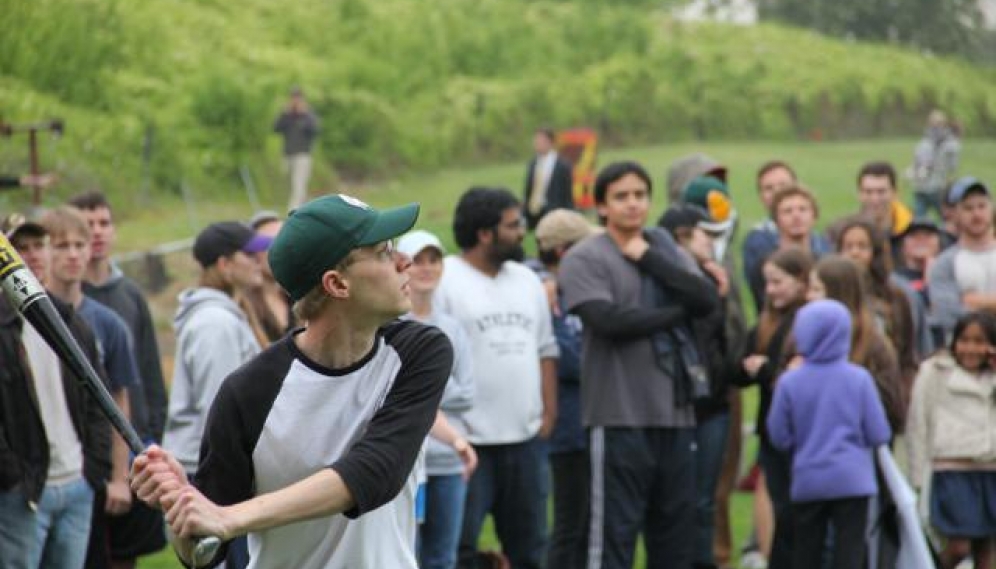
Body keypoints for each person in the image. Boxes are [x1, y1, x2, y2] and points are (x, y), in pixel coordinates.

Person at [131, 194, 452, 568]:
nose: (404, 262)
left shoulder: (420, 352)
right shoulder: (247, 392)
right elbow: (202, 553)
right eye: (383, 252)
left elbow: (377, 470)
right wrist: (181, 506)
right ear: (337, 284)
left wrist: (229, 517)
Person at [559, 161, 720, 569]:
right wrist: (676, 314)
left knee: (674, 539)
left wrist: (650, 258)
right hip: (618, 417)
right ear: (602, 207)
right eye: (621, 197)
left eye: (640, 195)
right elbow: (609, 322)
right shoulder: (585, 257)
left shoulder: (662, 247)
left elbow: (707, 299)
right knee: (613, 537)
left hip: (676, 416)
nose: (633, 205)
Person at [434, 187, 558, 569]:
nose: (522, 231)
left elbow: (545, 349)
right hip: (469, 445)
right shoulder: (445, 281)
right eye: (513, 224)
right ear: (485, 233)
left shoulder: (527, 281)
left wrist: (548, 416)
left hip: (526, 442)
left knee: (531, 550)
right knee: (459, 550)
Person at [0, 213, 111, 569]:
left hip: (77, 484)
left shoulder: (70, 323)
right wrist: (12, 476)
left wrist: (94, 468)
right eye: (21, 248)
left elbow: (97, 398)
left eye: (40, 245)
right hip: (25, 492)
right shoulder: (4, 330)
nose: (32, 256)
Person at [68, 190, 171, 567]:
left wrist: (151, 436)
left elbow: (148, 374)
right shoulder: (65, 302)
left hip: (134, 444)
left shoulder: (129, 295)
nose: (96, 232)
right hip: (85, 455)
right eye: (87, 224)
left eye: (103, 223)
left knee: (127, 554)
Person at [37, 207, 143, 569]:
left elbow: (119, 401)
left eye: (79, 245)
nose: (72, 254)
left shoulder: (108, 324)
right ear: (44, 252)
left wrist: (118, 477)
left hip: (89, 475)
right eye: (61, 245)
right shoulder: (27, 319)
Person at [766, 299, 892, 569]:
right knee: (850, 550)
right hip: (852, 478)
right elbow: (879, 432)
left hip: (809, 477)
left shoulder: (790, 382)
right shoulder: (858, 378)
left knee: (807, 550)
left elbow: (778, 435)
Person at [658, 204, 737, 569]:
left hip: (714, 404)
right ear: (682, 238)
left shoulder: (713, 281)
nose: (712, 242)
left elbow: (725, 343)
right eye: (706, 233)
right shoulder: (663, 284)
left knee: (704, 498)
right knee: (675, 500)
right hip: (676, 405)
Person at [396, 229, 476, 569]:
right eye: (417, 261)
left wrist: (422, 385)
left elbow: (467, 393)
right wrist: (436, 386)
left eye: (434, 260)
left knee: (444, 557)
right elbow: (394, 392)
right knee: (404, 554)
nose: (427, 268)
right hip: (403, 462)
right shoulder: (390, 325)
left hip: (448, 460)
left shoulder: (452, 327)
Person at [736, 247, 813, 569]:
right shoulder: (767, 322)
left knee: (794, 511)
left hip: (801, 433)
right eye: (767, 283)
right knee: (776, 502)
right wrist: (748, 368)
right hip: (772, 429)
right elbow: (738, 365)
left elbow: (799, 376)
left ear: (800, 282)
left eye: (778, 282)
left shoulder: (807, 320)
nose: (770, 291)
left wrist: (767, 370)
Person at [532, 209, 599, 569]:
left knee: (590, 522)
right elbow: (566, 357)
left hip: (586, 422)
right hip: (567, 428)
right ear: (563, 252)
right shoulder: (543, 295)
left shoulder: (573, 288)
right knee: (571, 525)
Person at [908, 311, 996, 569]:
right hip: (951, 471)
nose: (971, 348)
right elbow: (917, 423)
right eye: (965, 340)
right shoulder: (934, 373)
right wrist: (917, 477)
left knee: (985, 548)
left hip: (989, 470)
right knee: (959, 545)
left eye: (980, 342)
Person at [806, 255, 906, 433]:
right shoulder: (803, 339)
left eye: (816, 290)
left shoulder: (874, 345)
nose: (808, 297)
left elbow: (891, 408)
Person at [836, 217, 923, 387]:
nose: (855, 253)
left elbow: (907, 354)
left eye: (862, 246)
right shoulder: (831, 295)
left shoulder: (896, 297)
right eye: (848, 247)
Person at [929, 176, 996, 341]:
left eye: (982, 206)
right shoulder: (945, 263)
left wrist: (974, 301)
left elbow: (964, 309)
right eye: (968, 208)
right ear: (954, 214)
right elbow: (949, 315)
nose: (976, 214)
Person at [746, 184, 831, 312]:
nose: (796, 216)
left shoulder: (826, 264)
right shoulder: (764, 265)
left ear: (814, 216)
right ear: (776, 220)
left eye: (803, 209)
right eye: (787, 211)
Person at [742, 160, 799, 312]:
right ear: (761, 197)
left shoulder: (818, 238)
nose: (777, 192)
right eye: (769, 188)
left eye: (783, 185)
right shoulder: (758, 241)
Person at [827, 162, 912, 249]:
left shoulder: (911, 230)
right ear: (859, 194)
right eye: (868, 192)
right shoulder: (840, 230)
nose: (875, 199)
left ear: (895, 193)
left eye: (881, 191)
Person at [243, 210, 294, 344]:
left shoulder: (301, 297)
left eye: (287, 239)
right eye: (269, 244)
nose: (283, 250)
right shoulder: (244, 310)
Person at [273, 87, 320, 211]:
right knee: (290, 184)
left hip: (303, 154)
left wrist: (304, 114)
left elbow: (315, 130)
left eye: (297, 98)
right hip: (288, 154)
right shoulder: (287, 115)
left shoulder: (309, 114)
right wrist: (284, 113)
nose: (295, 101)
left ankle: (292, 210)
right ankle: (306, 208)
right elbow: (276, 128)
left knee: (298, 183)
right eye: (293, 98)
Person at [910, 110, 961, 220]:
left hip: (938, 187)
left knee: (946, 218)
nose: (936, 127)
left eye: (939, 124)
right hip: (921, 187)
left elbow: (952, 166)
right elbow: (917, 162)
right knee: (918, 220)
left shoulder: (949, 144)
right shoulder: (924, 143)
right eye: (933, 124)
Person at [522, 127, 575, 230]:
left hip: (553, 213)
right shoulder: (532, 164)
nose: (537, 144)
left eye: (541, 141)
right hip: (533, 212)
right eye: (536, 141)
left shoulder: (562, 165)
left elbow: (567, 195)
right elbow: (528, 190)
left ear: (551, 142)